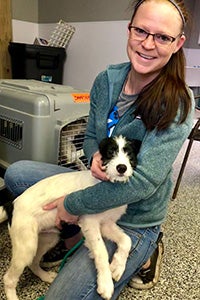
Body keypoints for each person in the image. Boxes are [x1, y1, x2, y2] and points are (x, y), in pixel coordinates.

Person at [4, 0, 195, 299]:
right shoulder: (107, 80)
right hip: (95, 184)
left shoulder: (178, 104)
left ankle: (146, 248)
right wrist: (94, 155)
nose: (147, 44)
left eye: (162, 37)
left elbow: (142, 184)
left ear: (178, 43)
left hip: (131, 215)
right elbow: (92, 135)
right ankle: (75, 233)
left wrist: (72, 205)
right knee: (17, 174)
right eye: (141, 31)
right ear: (128, 30)